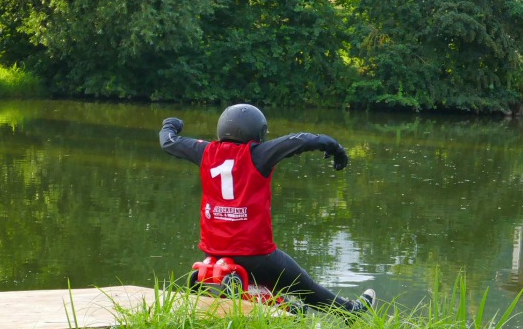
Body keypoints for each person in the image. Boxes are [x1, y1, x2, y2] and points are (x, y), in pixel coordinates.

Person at [159, 103, 375, 314]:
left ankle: (284, 308)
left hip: (213, 251)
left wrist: (171, 124)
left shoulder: (205, 151)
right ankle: (351, 313)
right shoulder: (258, 154)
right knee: (305, 286)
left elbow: (168, 142)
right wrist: (336, 148)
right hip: (255, 254)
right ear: (257, 132)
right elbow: (301, 140)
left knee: (281, 286)